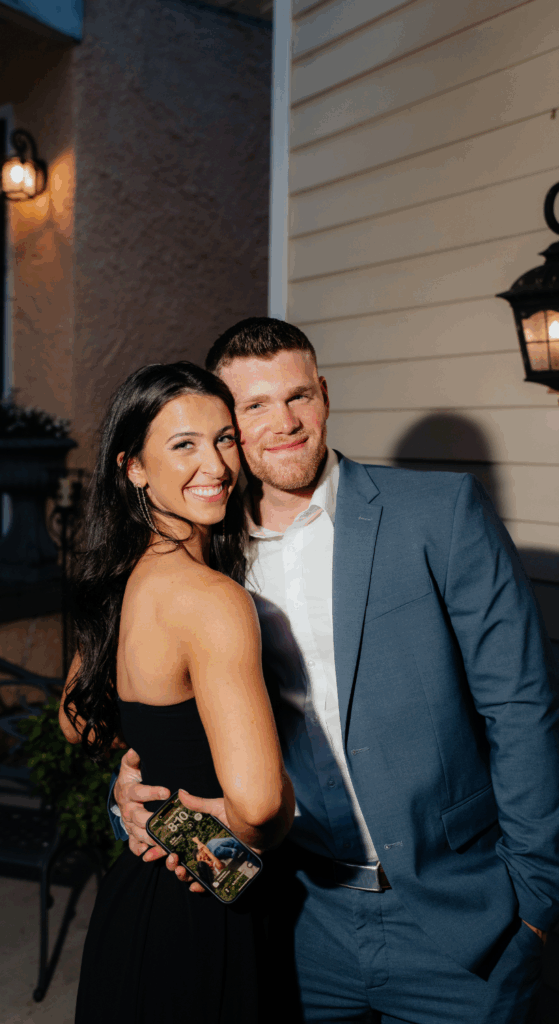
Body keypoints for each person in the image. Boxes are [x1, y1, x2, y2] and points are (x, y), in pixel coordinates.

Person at [113, 319, 559, 1024]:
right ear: (226, 427)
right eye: (253, 408)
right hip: (291, 922)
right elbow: (163, 717)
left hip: (458, 926)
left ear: (323, 395)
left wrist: (534, 906)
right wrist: (131, 801)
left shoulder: (438, 514)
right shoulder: (207, 565)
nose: (284, 423)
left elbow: (523, 709)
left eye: (298, 396)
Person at [59, 360, 295, 1024]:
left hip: (138, 893)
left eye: (223, 439)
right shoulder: (212, 600)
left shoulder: (117, 576)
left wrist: (143, 790)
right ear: (133, 466)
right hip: (204, 904)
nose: (215, 464)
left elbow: (78, 725)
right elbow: (255, 804)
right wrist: (275, 803)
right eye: (183, 444)